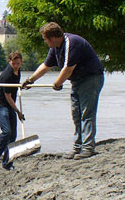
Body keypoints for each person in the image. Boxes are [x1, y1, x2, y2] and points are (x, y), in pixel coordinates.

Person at [22, 22, 104, 159]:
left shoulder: (72, 43)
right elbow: (46, 65)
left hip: (91, 78)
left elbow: (68, 68)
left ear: (53, 37)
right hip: (77, 81)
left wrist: (58, 83)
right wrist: (30, 80)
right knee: (76, 114)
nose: (45, 42)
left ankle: (88, 148)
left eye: (45, 39)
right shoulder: (55, 47)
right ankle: (78, 147)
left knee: (86, 113)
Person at [0, 51, 25, 170]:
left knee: (13, 135)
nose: (16, 66)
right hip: (1, 104)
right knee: (7, 131)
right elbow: (8, 96)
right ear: (9, 62)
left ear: (21, 62)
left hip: (9, 105)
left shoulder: (18, 71)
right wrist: (18, 111)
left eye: (18, 64)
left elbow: (15, 87)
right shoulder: (7, 75)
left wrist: (22, 86)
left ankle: (7, 162)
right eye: (14, 63)